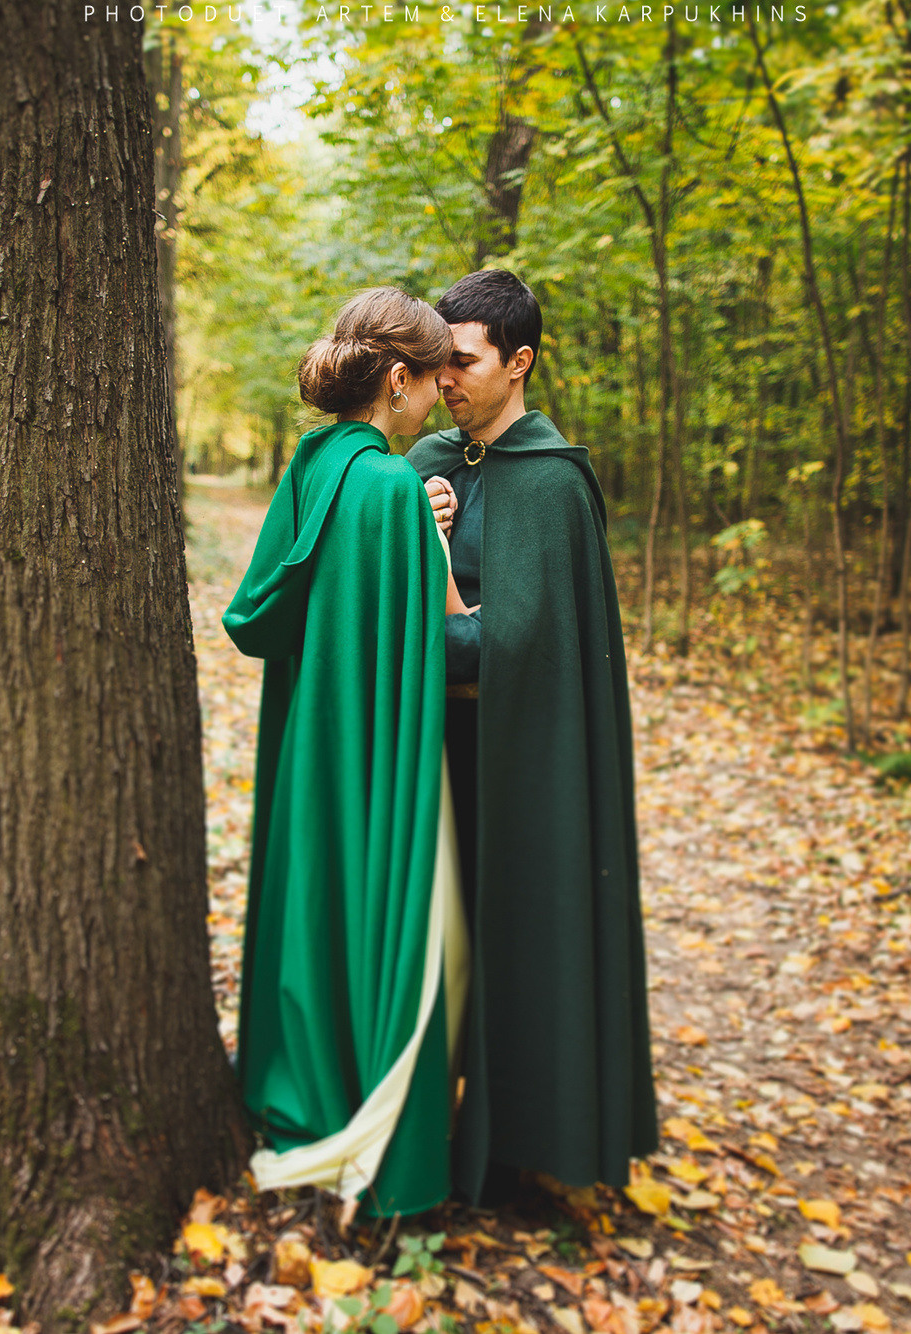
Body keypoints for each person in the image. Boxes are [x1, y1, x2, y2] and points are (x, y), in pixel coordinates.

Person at [405, 269, 659, 1206]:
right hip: (428, 759)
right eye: (435, 361)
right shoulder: (425, 458)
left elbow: (488, 650)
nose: (443, 379)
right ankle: (417, 1129)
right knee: (432, 952)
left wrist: (434, 579)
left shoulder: (553, 486)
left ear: (519, 364)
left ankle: (521, 1142)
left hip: (521, 764)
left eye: (463, 362)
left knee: (520, 945)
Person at [222, 287, 474, 1219]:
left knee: (314, 900)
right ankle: (374, 1123)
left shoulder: (315, 463)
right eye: (433, 378)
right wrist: (428, 534)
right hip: (373, 751)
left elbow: (258, 614)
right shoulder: (392, 489)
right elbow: (437, 639)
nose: (441, 396)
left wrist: (419, 524)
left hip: (308, 743)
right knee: (388, 910)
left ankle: (295, 1081)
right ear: (397, 379)